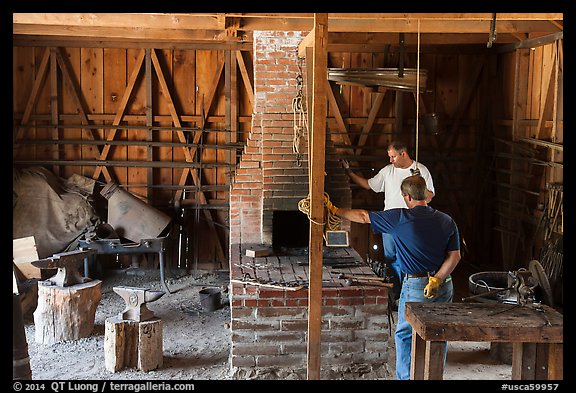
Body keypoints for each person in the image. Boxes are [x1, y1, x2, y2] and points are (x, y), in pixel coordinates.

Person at [325, 175, 460, 380]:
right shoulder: (446, 220)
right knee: (439, 332)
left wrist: (334, 210)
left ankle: (405, 378)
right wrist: (438, 278)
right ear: (425, 194)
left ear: (406, 197)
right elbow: (455, 256)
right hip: (444, 285)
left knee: (405, 334)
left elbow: (362, 216)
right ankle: (434, 376)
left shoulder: (399, 218)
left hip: (417, 286)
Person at [341, 141, 435, 302]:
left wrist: (419, 181)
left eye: (393, 156)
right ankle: (398, 294)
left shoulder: (421, 170)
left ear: (403, 154)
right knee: (391, 258)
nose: (391, 160)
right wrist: (349, 172)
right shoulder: (387, 171)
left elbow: (430, 197)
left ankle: (410, 292)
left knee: (410, 258)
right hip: (390, 224)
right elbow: (368, 184)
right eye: (389, 157)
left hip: (412, 223)